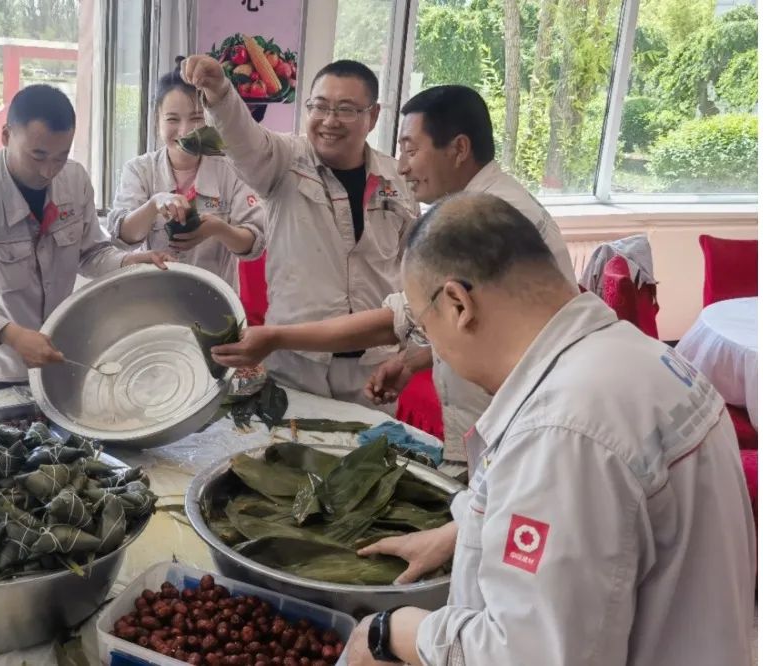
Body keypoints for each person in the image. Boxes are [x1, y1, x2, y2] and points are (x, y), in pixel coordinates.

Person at [345, 192, 755, 666]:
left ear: (458, 304)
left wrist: (392, 631)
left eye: (423, 326)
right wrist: (462, 533)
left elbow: (529, 654)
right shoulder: (642, 357)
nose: (432, 348)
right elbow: (610, 525)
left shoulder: (560, 432)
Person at [211, 85, 576, 456]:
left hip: (513, 418)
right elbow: (475, 316)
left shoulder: (485, 218)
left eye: (412, 150)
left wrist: (275, 337)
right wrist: (414, 359)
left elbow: (403, 316)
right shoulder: (286, 163)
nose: (403, 166)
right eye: (319, 107)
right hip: (305, 367)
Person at [181, 55, 418, 410]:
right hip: (294, 362)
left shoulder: (397, 179)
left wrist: (408, 353)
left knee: (369, 445)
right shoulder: (284, 161)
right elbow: (243, 140)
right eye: (319, 107)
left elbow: (411, 270)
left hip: (373, 366)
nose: (329, 121)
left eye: (346, 110)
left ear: (373, 116)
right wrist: (219, 91)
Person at [0, 84, 170, 399]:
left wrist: (127, 262)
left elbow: (90, 254)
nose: (48, 170)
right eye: (37, 155)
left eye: (61, 156)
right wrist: (9, 334)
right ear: (6, 136)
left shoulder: (75, 180)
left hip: (55, 363)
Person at [107, 59, 265, 292]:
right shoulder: (139, 170)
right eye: (172, 119)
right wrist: (153, 204)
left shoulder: (232, 170)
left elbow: (254, 243)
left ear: (210, 118)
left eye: (196, 118)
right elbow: (123, 237)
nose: (184, 131)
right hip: (154, 296)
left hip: (214, 298)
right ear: (157, 120)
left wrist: (218, 229)